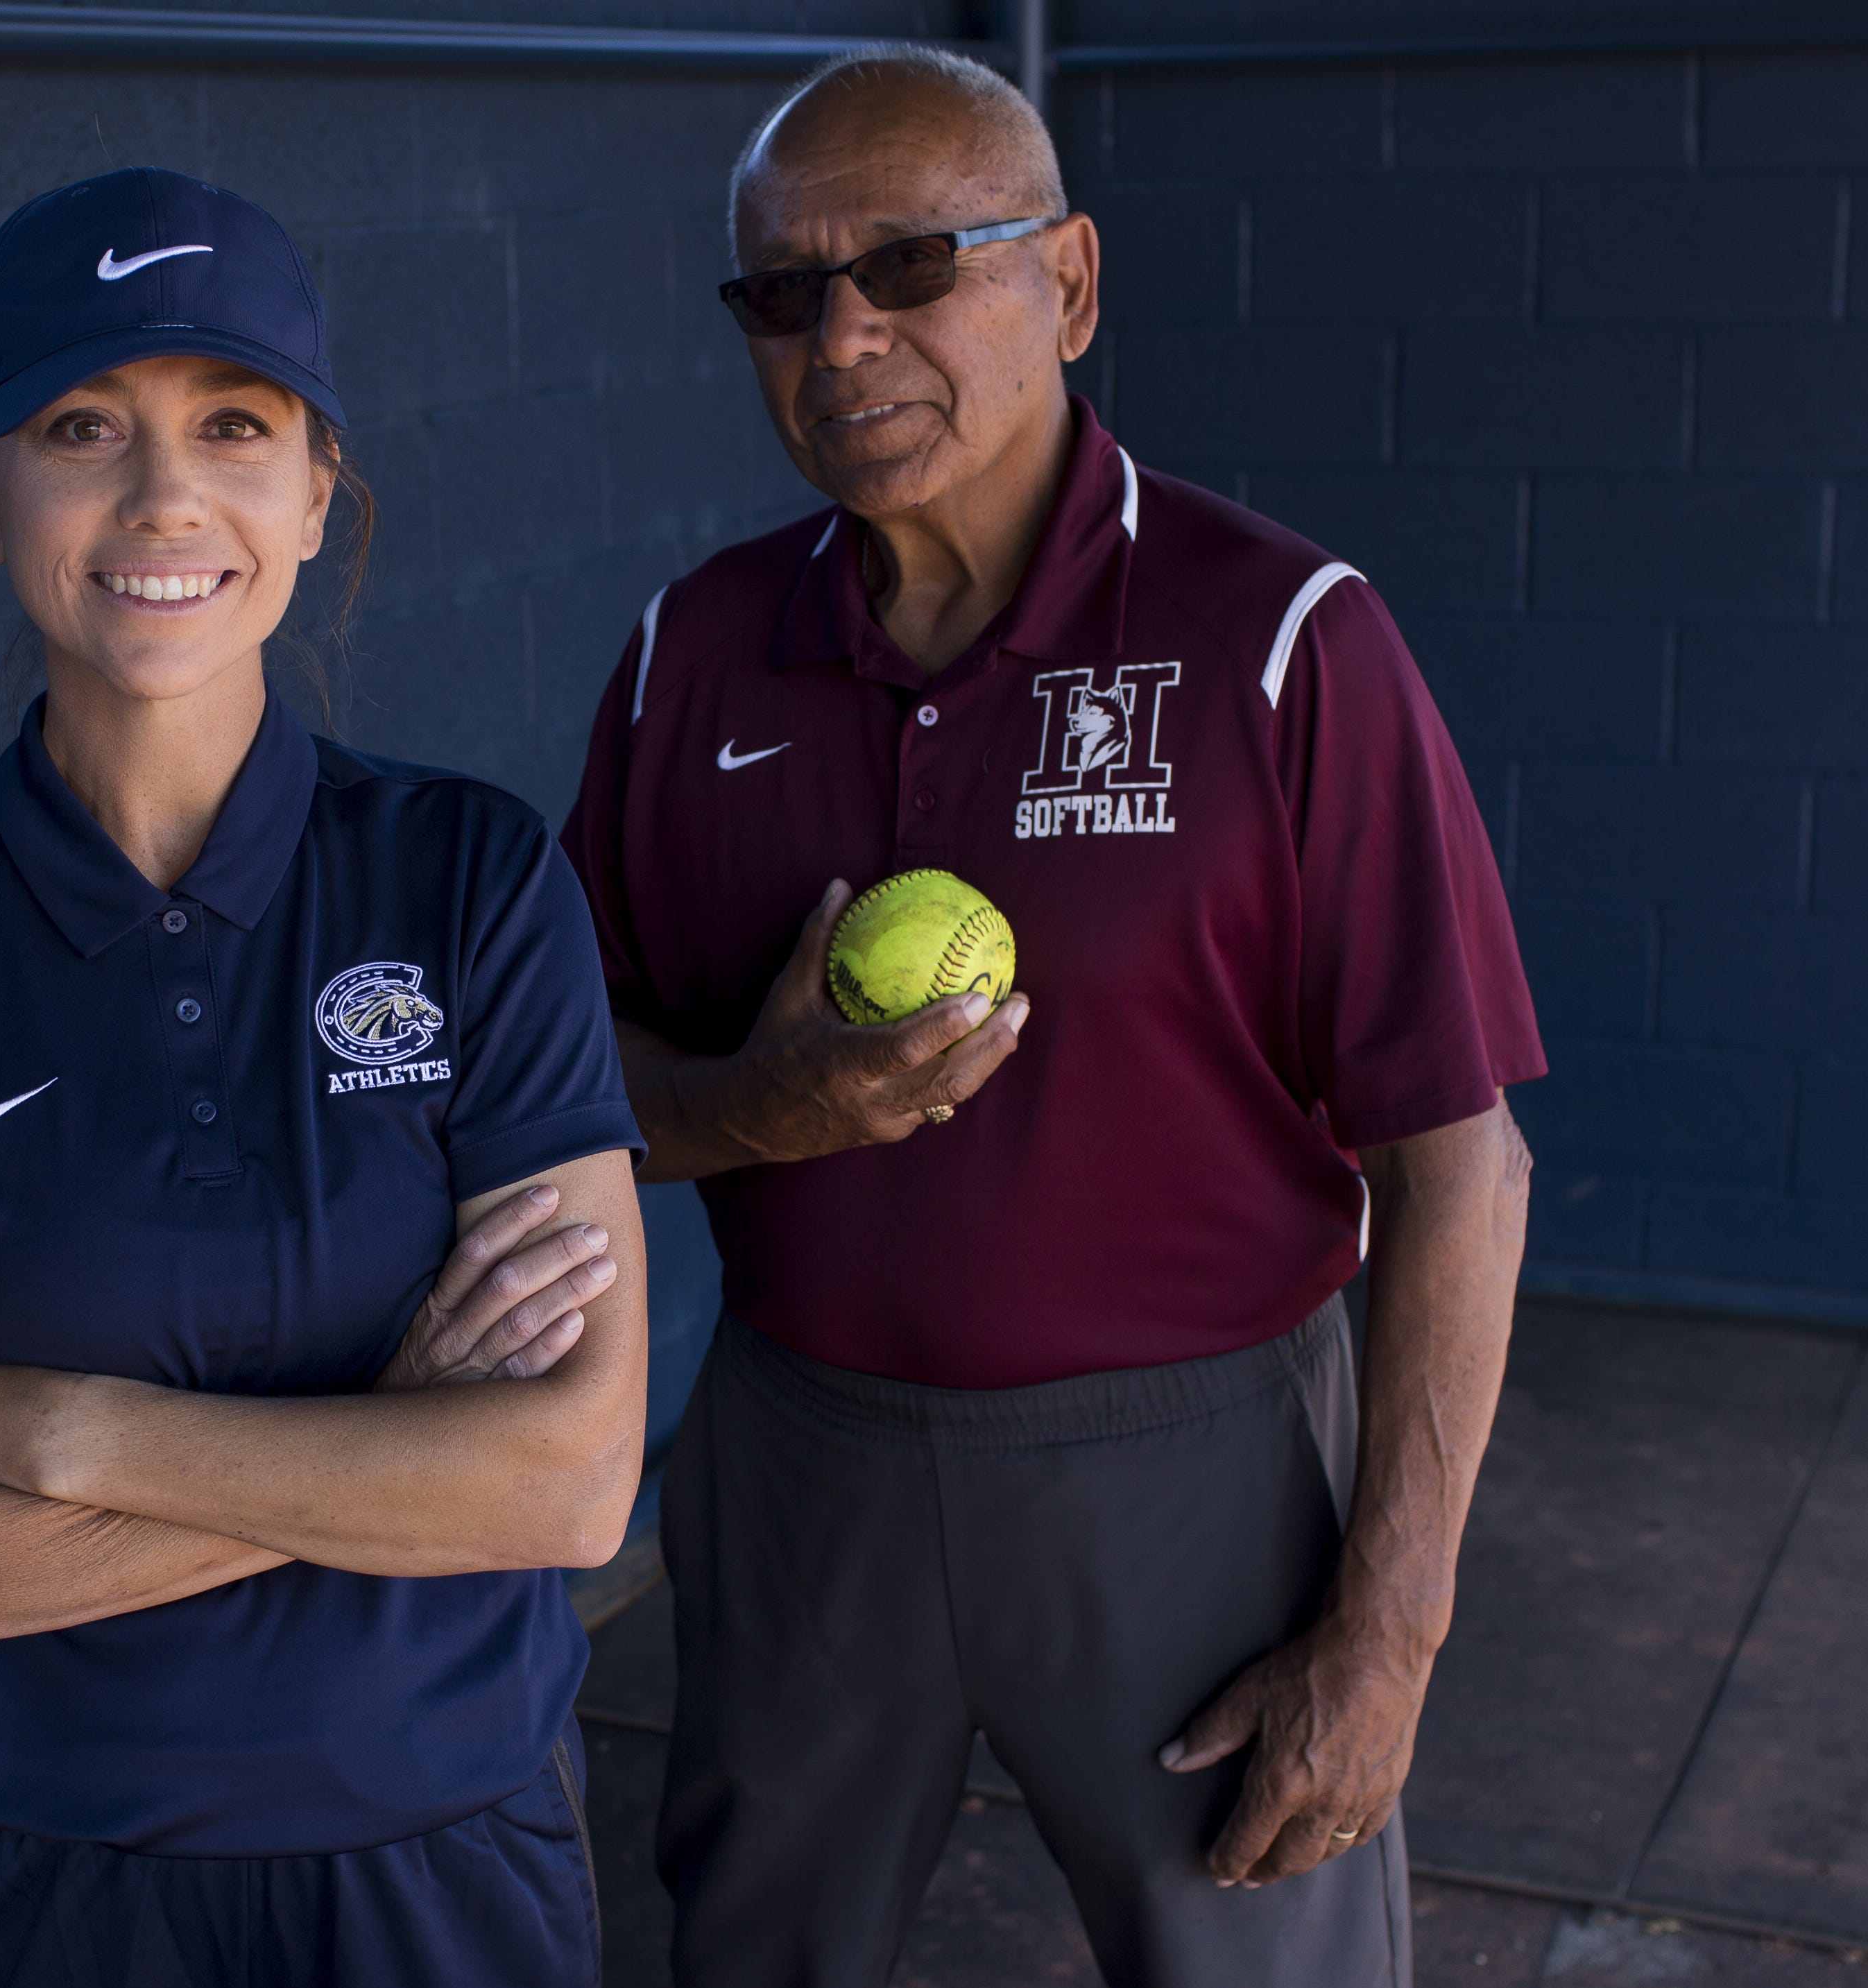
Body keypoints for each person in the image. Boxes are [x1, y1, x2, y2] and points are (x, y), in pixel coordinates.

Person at [558, 48, 1542, 1988]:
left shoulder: (1280, 639)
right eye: (782, 291)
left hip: (1192, 1466)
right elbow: (559, 1093)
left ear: (1069, 284)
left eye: (913, 265)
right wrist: (760, 1110)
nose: (841, 336)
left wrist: (1389, 1626)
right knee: (752, 1953)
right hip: (801, 1444)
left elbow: (1457, 1162)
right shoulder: (693, 652)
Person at [0, 167, 647, 1988]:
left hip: (441, 1859)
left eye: (232, 424)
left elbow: (563, 1487)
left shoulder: (471, 881)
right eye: (82, 427)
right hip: (29, 1880)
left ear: (312, 493)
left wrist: (66, 1439)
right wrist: (386, 1439)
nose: (163, 497)